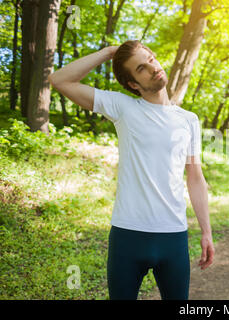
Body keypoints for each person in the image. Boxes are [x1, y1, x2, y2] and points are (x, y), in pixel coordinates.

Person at [48, 40, 214, 300]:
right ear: (133, 84)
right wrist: (107, 53)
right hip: (128, 236)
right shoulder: (123, 108)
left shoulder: (188, 120)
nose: (152, 68)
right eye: (141, 68)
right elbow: (60, 80)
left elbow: (195, 177)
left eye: (151, 59)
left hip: (174, 236)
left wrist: (206, 231)